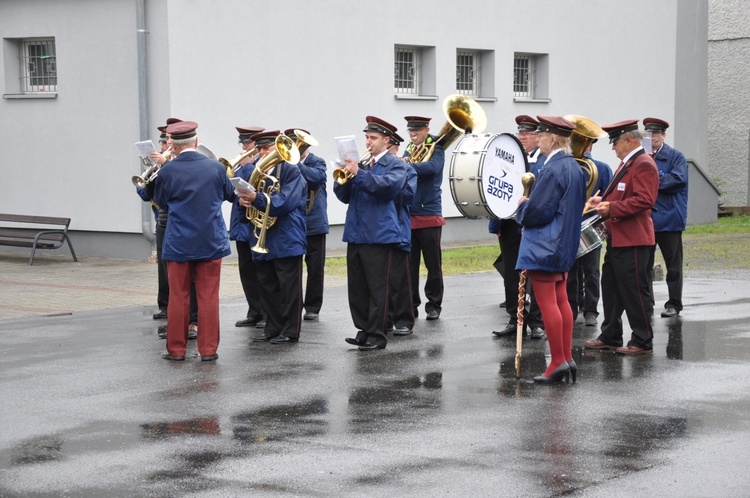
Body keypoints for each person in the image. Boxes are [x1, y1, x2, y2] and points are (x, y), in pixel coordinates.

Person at [150, 120, 235, 361]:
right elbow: (229, 195)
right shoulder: (216, 168)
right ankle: (208, 350)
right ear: (196, 142)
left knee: (178, 296)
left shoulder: (167, 170)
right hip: (210, 240)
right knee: (208, 296)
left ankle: (176, 350)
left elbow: (162, 202)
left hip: (179, 241)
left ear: (172, 146)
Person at [515, 115, 586, 384]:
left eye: (542, 135)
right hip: (564, 244)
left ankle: (558, 361)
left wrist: (523, 205)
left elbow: (538, 211)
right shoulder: (574, 167)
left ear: (553, 138)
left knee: (548, 304)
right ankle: (565, 358)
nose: (538, 139)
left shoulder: (553, 168)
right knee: (561, 301)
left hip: (545, 245)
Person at [583, 119, 659, 355]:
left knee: (635, 291)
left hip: (634, 240)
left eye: (615, 142)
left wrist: (611, 209)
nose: (613, 147)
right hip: (619, 239)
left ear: (628, 140)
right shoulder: (628, 163)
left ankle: (642, 340)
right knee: (612, 290)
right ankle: (611, 335)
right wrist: (602, 202)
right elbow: (624, 194)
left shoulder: (643, 163)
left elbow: (645, 200)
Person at [334, 116, 408, 351]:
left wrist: (359, 173)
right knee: (357, 287)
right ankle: (364, 330)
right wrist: (343, 177)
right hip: (356, 232)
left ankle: (378, 334)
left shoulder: (396, 165)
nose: (368, 142)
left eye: (373, 138)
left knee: (378, 288)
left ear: (387, 140)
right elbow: (344, 197)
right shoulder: (363, 165)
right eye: (366, 137)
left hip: (379, 234)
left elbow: (385, 189)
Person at [236, 130, 307, 344]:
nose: (262, 153)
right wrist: (243, 202)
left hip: (287, 236)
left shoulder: (291, 170)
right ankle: (272, 327)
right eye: (259, 149)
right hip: (262, 235)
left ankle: (290, 331)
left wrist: (257, 198)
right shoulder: (255, 173)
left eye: (266, 148)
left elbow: (285, 202)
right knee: (267, 285)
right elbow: (247, 208)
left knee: (288, 287)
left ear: (277, 149)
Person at [492, 115, 546, 340]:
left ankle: (535, 322)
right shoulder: (509, 158)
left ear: (538, 136)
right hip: (509, 223)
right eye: (520, 133)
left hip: (532, 224)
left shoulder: (543, 160)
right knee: (511, 274)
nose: (522, 137)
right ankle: (515, 318)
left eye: (528, 134)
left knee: (534, 274)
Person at [147, 118, 199, 341]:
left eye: (168, 141)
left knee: (189, 276)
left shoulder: (190, 162)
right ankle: (168, 309)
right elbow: (151, 195)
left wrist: (164, 167)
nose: (165, 146)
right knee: (167, 269)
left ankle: (193, 321)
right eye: (164, 141)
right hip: (164, 220)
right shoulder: (166, 165)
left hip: (184, 224)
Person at [643, 117, 688, 318]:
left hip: (669, 220)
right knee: (645, 265)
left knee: (673, 267)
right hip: (647, 221)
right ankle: (647, 303)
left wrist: (651, 178)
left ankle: (674, 304)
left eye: (656, 134)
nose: (652, 138)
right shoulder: (642, 155)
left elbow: (677, 180)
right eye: (648, 134)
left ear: (663, 135)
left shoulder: (675, 157)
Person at [403, 116, 445, 321]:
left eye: (417, 131)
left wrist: (407, 165)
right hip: (410, 213)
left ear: (427, 129)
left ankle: (434, 304)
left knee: (433, 264)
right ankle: (411, 304)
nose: (413, 134)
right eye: (410, 131)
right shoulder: (410, 149)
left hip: (429, 212)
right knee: (410, 265)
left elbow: (432, 168)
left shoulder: (437, 146)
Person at [284, 128, 328, 322]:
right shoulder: (284, 163)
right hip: (293, 223)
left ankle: (312, 307)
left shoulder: (317, 162)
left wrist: (294, 163)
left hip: (314, 223)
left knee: (315, 268)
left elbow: (316, 178)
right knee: (291, 268)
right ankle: (291, 305)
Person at [567, 141, 613, 327]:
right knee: (570, 271)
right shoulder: (568, 167)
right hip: (570, 225)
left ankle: (591, 311)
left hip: (591, 225)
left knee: (592, 270)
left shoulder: (601, 168)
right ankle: (570, 308)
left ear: (591, 146)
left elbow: (609, 198)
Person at [230, 125, 267, 329]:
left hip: (256, 226)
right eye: (243, 143)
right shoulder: (241, 164)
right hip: (241, 224)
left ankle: (265, 313)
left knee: (261, 272)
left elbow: (256, 185)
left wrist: (246, 166)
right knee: (246, 272)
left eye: (248, 143)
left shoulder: (260, 164)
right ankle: (254, 310)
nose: (245, 147)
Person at [387, 131, 418, 336]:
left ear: (396, 148)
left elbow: (407, 196)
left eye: (389, 149)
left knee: (401, 278)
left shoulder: (407, 169)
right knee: (383, 280)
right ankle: (386, 318)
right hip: (381, 232)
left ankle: (405, 319)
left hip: (398, 229)